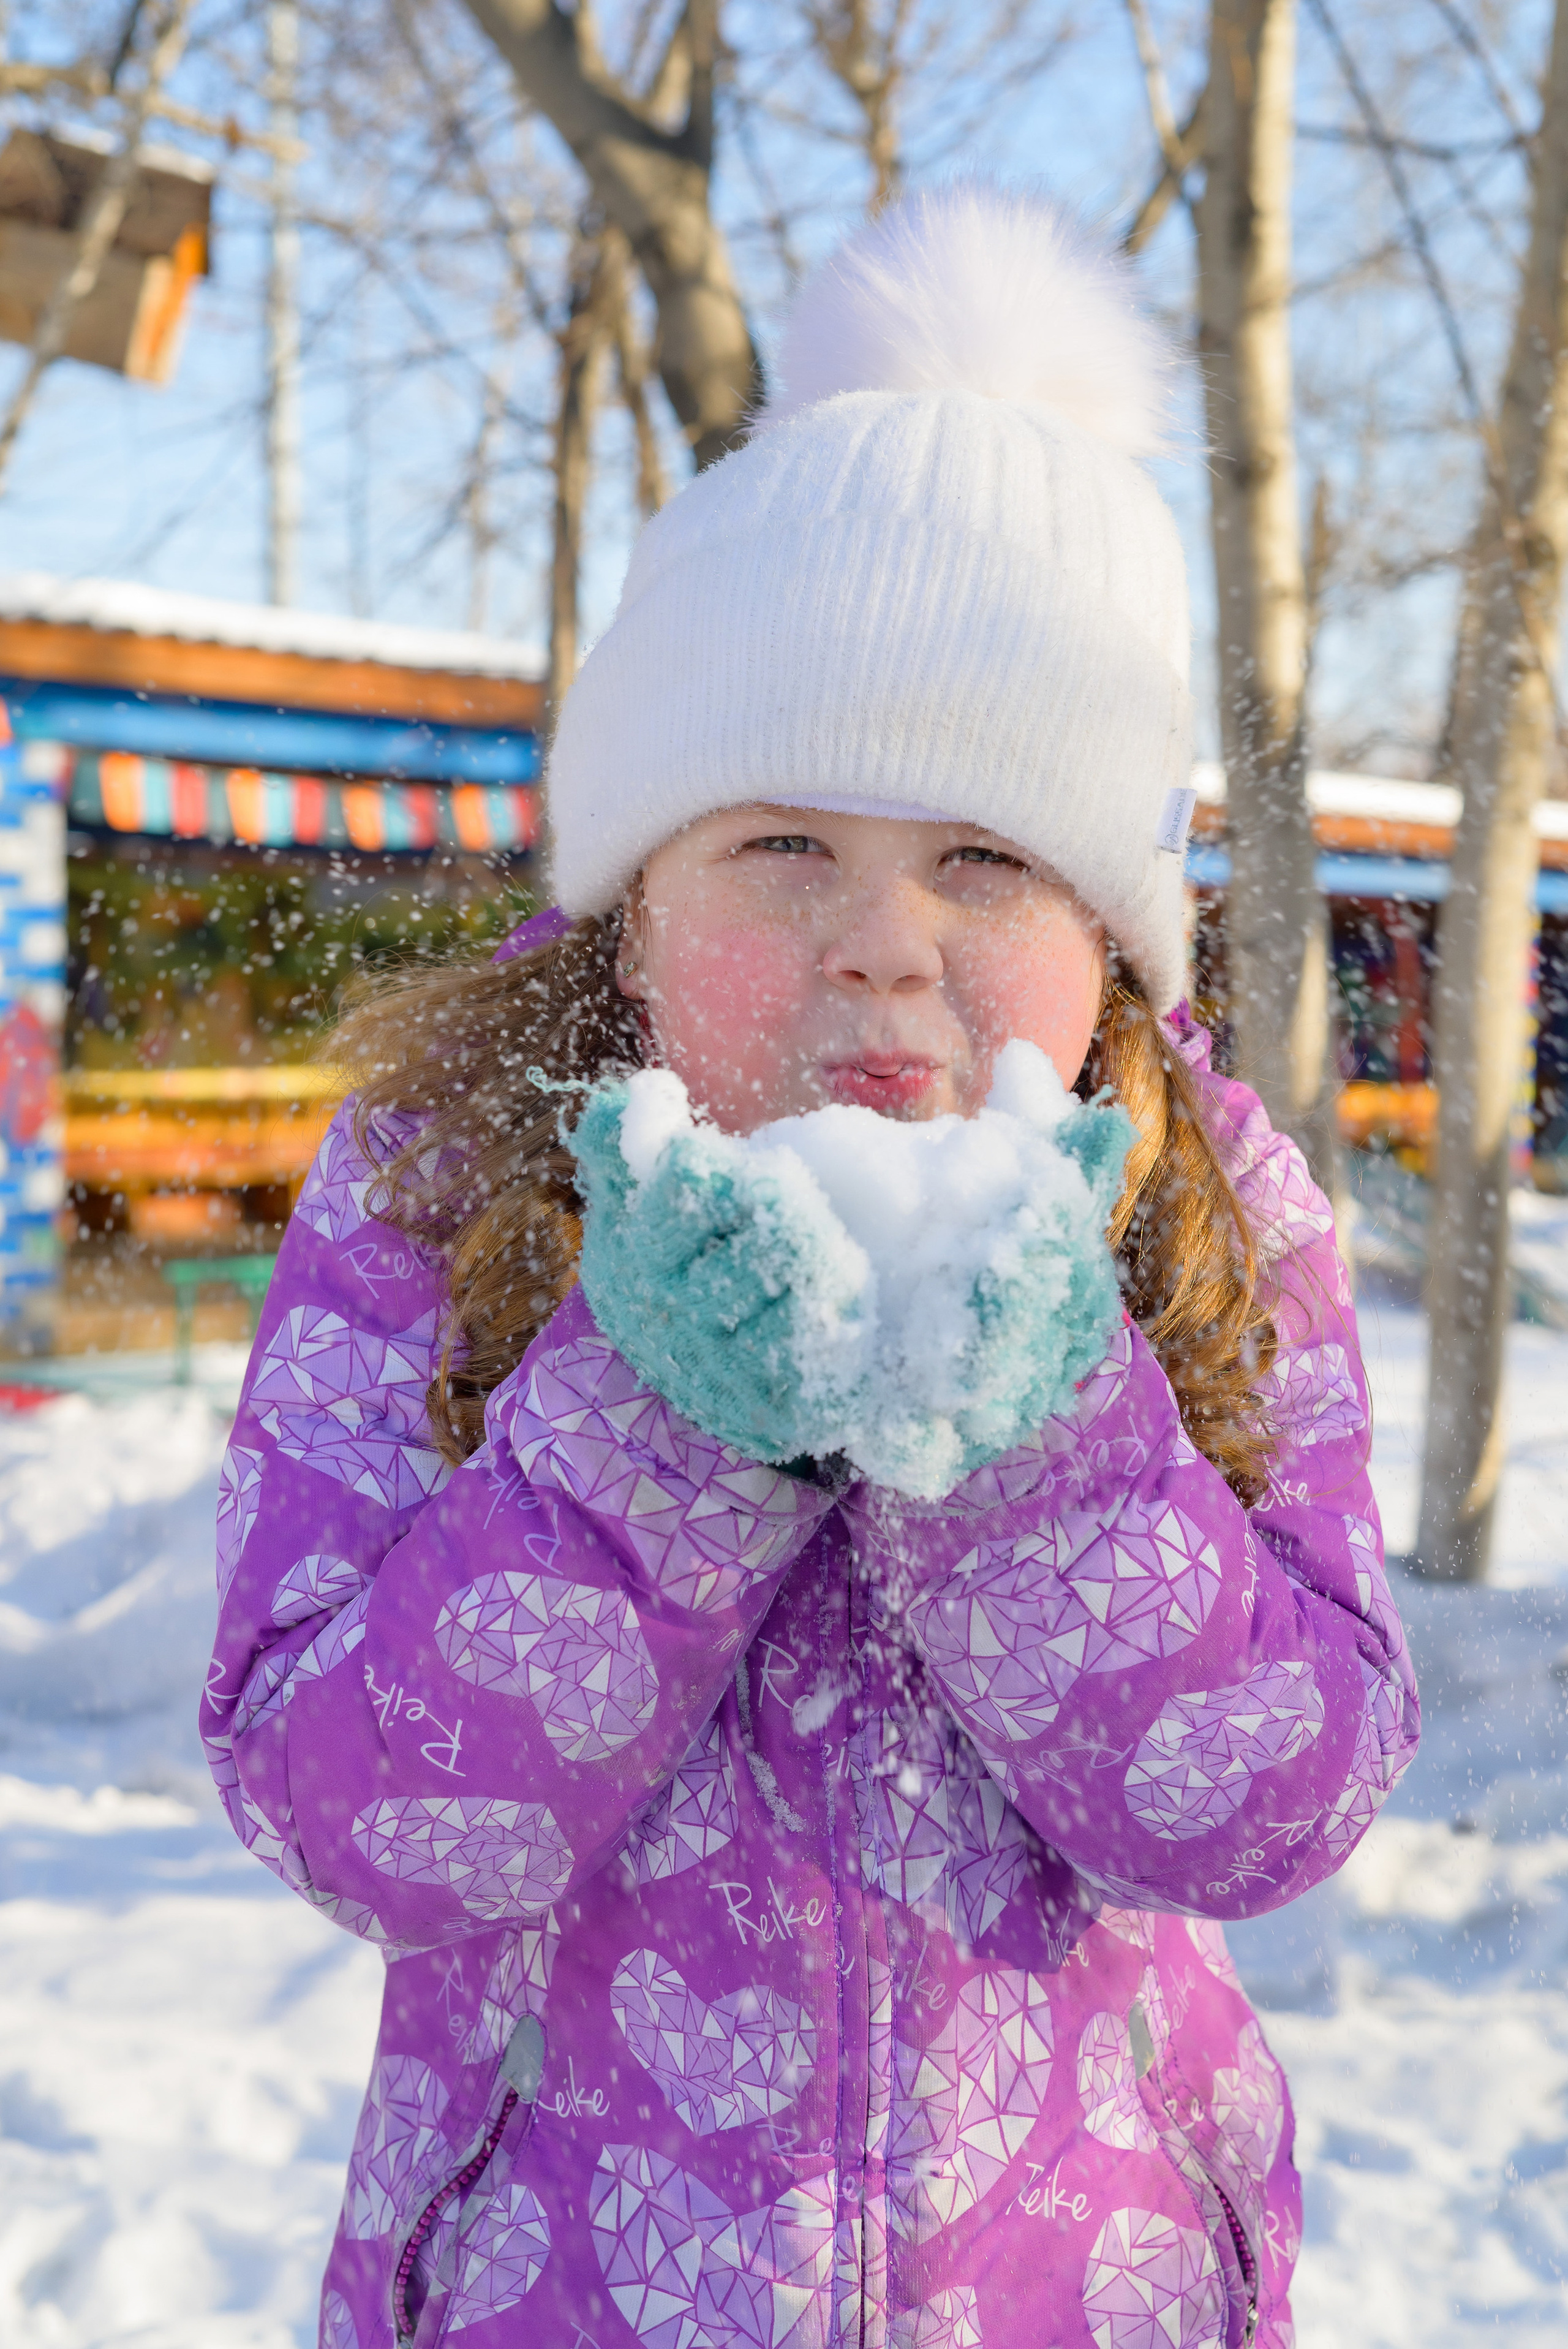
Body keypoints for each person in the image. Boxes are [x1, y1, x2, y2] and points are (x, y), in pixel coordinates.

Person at [205, 186, 1418, 2349]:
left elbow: (1278, 1799)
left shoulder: (1209, 1207)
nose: (885, 937)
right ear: (632, 901)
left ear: (1109, 946)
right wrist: (651, 1421)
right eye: (785, 843)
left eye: (982, 857)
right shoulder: (439, 1184)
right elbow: (350, 1812)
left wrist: (1033, 1440)